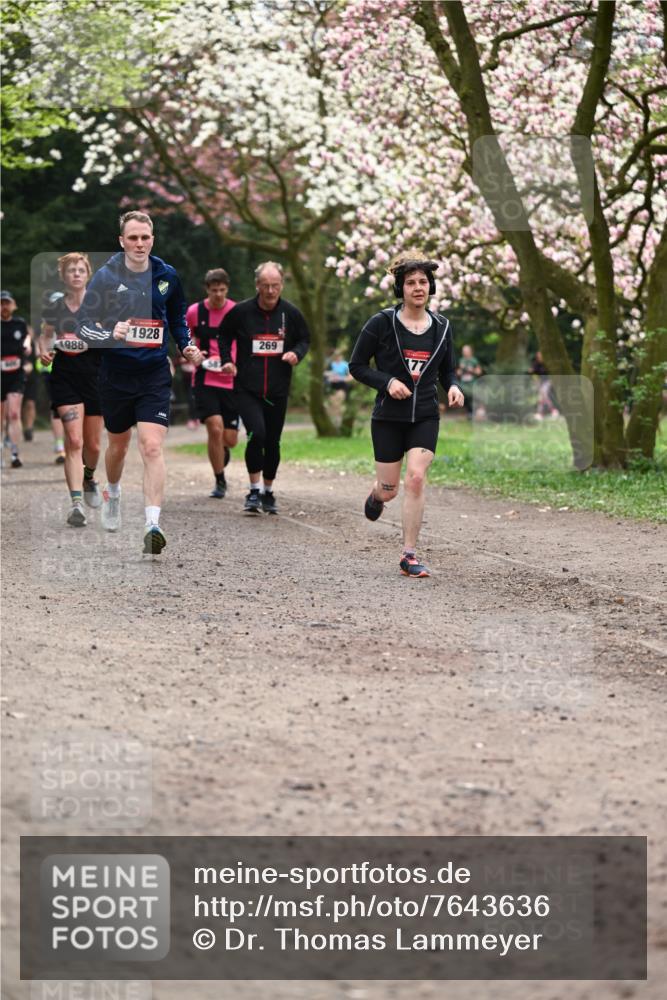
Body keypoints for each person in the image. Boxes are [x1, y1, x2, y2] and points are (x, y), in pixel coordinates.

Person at [78, 210, 204, 553]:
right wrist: (110, 332)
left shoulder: (167, 275)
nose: (139, 243)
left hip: (154, 373)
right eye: (132, 237)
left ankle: (152, 524)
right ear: (122, 241)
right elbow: (84, 325)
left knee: (151, 445)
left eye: (145, 237)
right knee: (117, 446)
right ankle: (113, 494)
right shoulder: (105, 277)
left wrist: (187, 345)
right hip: (116, 375)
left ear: (153, 239)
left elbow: (177, 318)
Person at [349, 250, 464, 578]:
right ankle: (376, 495)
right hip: (388, 417)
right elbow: (356, 366)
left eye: (423, 282)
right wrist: (387, 382)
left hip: (425, 415)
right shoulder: (381, 323)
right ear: (401, 289)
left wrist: (454, 387)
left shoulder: (442, 327)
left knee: (415, 478)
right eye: (411, 282)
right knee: (391, 489)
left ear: (431, 287)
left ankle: (409, 555)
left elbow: (448, 372)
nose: (418, 287)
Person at [218, 261, 310, 515]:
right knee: (256, 434)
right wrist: (227, 360)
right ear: (257, 285)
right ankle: (254, 490)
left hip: (278, 389)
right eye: (266, 286)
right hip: (247, 387)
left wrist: (296, 353)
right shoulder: (242, 312)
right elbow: (223, 335)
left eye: (275, 285)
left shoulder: (291, 313)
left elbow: (305, 338)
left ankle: (269, 492)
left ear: (281, 285)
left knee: (273, 442)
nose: (270, 291)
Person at [38, 253, 104, 527]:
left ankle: (89, 476)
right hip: (64, 378)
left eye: (80, 270)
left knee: (93, 445)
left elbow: (112, 335)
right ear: (64, 276)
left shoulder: (100, 305)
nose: (76, 274)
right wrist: (44, 352)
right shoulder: (55, 307)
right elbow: (44, 335)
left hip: (95, 378)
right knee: (74, 442)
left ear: (87, 274)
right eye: (71, 270)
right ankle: (76, 504)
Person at [185, 267, 238, 499]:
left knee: (230, 439)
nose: (218, 295)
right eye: (214, 290)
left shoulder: (236, 311)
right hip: (204, 378)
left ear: (228, 289)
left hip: (231, 379)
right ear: (207, 289)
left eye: (223, 290)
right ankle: (220, 481)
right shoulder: (195, 312)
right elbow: (184, 338)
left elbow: (245, 341)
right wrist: (192, 352)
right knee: (214, 428)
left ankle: (222, 450)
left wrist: (235, 363)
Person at [1, 290, 29, 468]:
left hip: (16, 373)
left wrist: (27, 346)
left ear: (13, 305)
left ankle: (14, 453)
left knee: (14, 413)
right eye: (1, 303)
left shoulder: (20, 324)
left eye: (7, 302)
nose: (4, 306)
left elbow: (27, 338)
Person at [325, 349, 353, 422]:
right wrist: (330, 377)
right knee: (332, 404)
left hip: (342, 386)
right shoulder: (332, 364)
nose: (337, 357)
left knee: (338, 403)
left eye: (338, 355)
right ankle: (333, 421)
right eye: (336, 356)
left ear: (341, 356)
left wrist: (341, 379)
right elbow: (325, 374)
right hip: (332, 387)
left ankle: (339, 420)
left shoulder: (345, 364)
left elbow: (351, 377)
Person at [530, 350, 559, 419]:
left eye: (541, 356)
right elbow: (533, 373)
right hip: (540, 382)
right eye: (538, 356)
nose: (539, 357)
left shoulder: (547, 364)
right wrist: (536, 382)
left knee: (544, 395)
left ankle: (549, 411)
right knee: (542, 397)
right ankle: (545, 412)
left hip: (548, 381)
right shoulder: (536, 364)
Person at [456, 344, 482, 416]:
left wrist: (472, 370)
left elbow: (479, 372)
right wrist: (460, 371)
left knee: (472, 397)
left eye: (466, 351)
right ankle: (469, 412)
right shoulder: (461, 360)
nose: (465, 352)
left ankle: (473, 412)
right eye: (463, 351)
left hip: (472, 384)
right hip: (463, 384)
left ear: (470, 351)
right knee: (464, 397)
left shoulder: (474, 360)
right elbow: (457, 373)